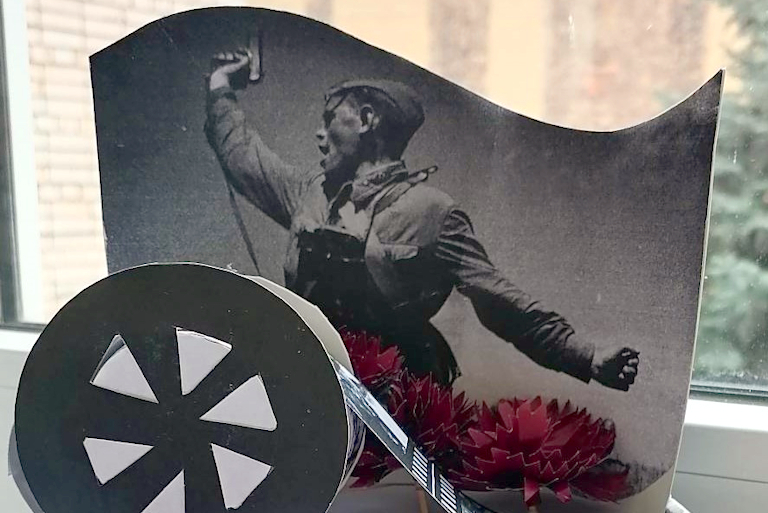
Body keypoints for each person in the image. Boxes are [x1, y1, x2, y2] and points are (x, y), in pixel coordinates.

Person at [205, 59, 640, 389]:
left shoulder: (433, 213)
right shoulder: (310, 192)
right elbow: (243, 156)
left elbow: (501, 303)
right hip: (309, 381)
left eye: (329, 119)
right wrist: (221, 86)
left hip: (395, 396)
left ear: (367, 120)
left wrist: (585, 356)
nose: (319, 135)